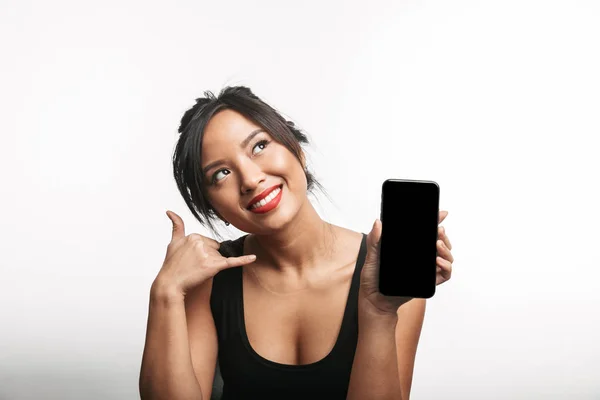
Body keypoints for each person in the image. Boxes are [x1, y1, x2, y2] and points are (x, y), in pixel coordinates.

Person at [139, 86, 454, 400]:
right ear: (212, 208)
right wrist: (165, 292)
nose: (249, 179)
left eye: (259, 146)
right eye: (221, 173)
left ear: (298, 151)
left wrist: (380, 313)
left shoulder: (390, 275)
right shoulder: (208, 280)